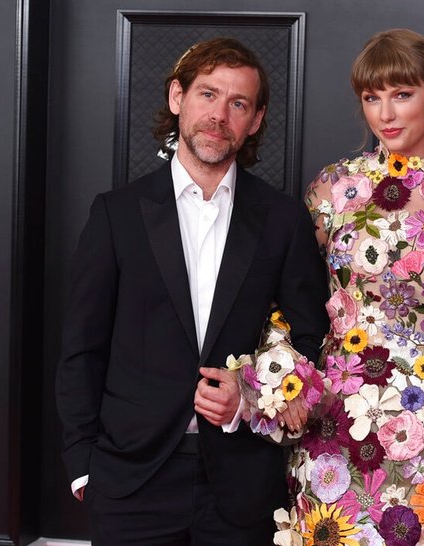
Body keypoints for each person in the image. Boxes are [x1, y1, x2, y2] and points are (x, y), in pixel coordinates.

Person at [55, 37, 329, 544]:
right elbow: (81, 349)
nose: (219, 114)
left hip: (242, 484)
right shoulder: (116, 214)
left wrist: (249, 396)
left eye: (238, 103)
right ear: (177, 97)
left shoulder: (282, 220)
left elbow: (311, 339)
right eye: (208, 94)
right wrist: (83, 467)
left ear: (256, 119)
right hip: (129, 482)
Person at [278, 29, 424, 545]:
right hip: (338, 419)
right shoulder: (333, 187)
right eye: (372, 97)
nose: (386, 113)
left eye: (402, 94)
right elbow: (280, 292)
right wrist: (283, 366)